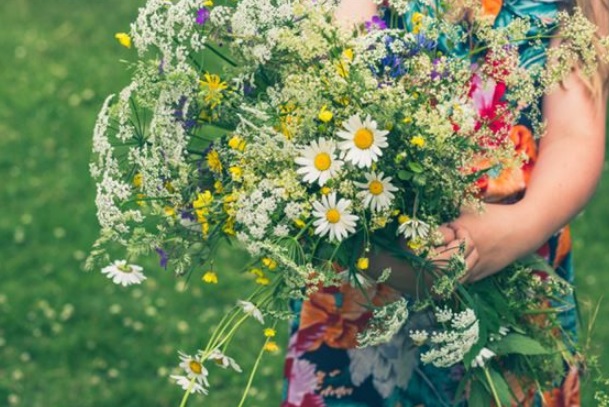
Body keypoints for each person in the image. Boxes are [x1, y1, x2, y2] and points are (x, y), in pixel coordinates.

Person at [281, 0, 609, 405]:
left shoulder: (567, 8)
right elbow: (323, 84)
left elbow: (573, 135)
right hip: (363, 280)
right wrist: (381, 254)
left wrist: (519, 226)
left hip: (515, 267)